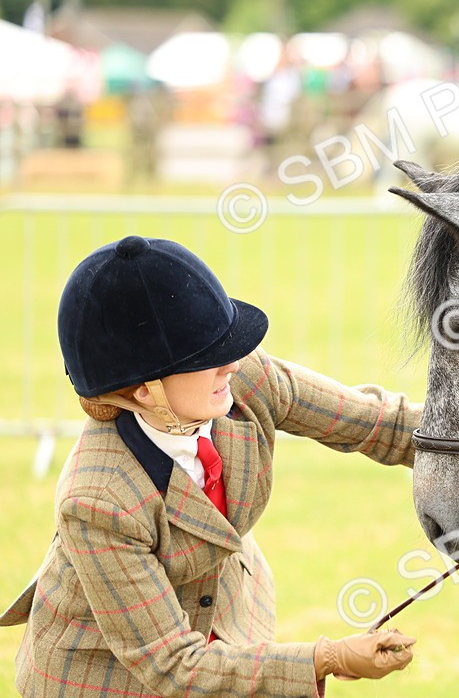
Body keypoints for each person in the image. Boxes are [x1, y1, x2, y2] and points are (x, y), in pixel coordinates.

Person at [0, 235, 420, 696]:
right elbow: (174, 666)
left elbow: (379, 423)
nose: (233, 364)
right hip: (112, 676)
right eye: (209, 358)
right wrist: (329, 658)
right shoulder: (97, 502)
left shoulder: (241, 381)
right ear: (145, 391)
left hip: (230, 620)